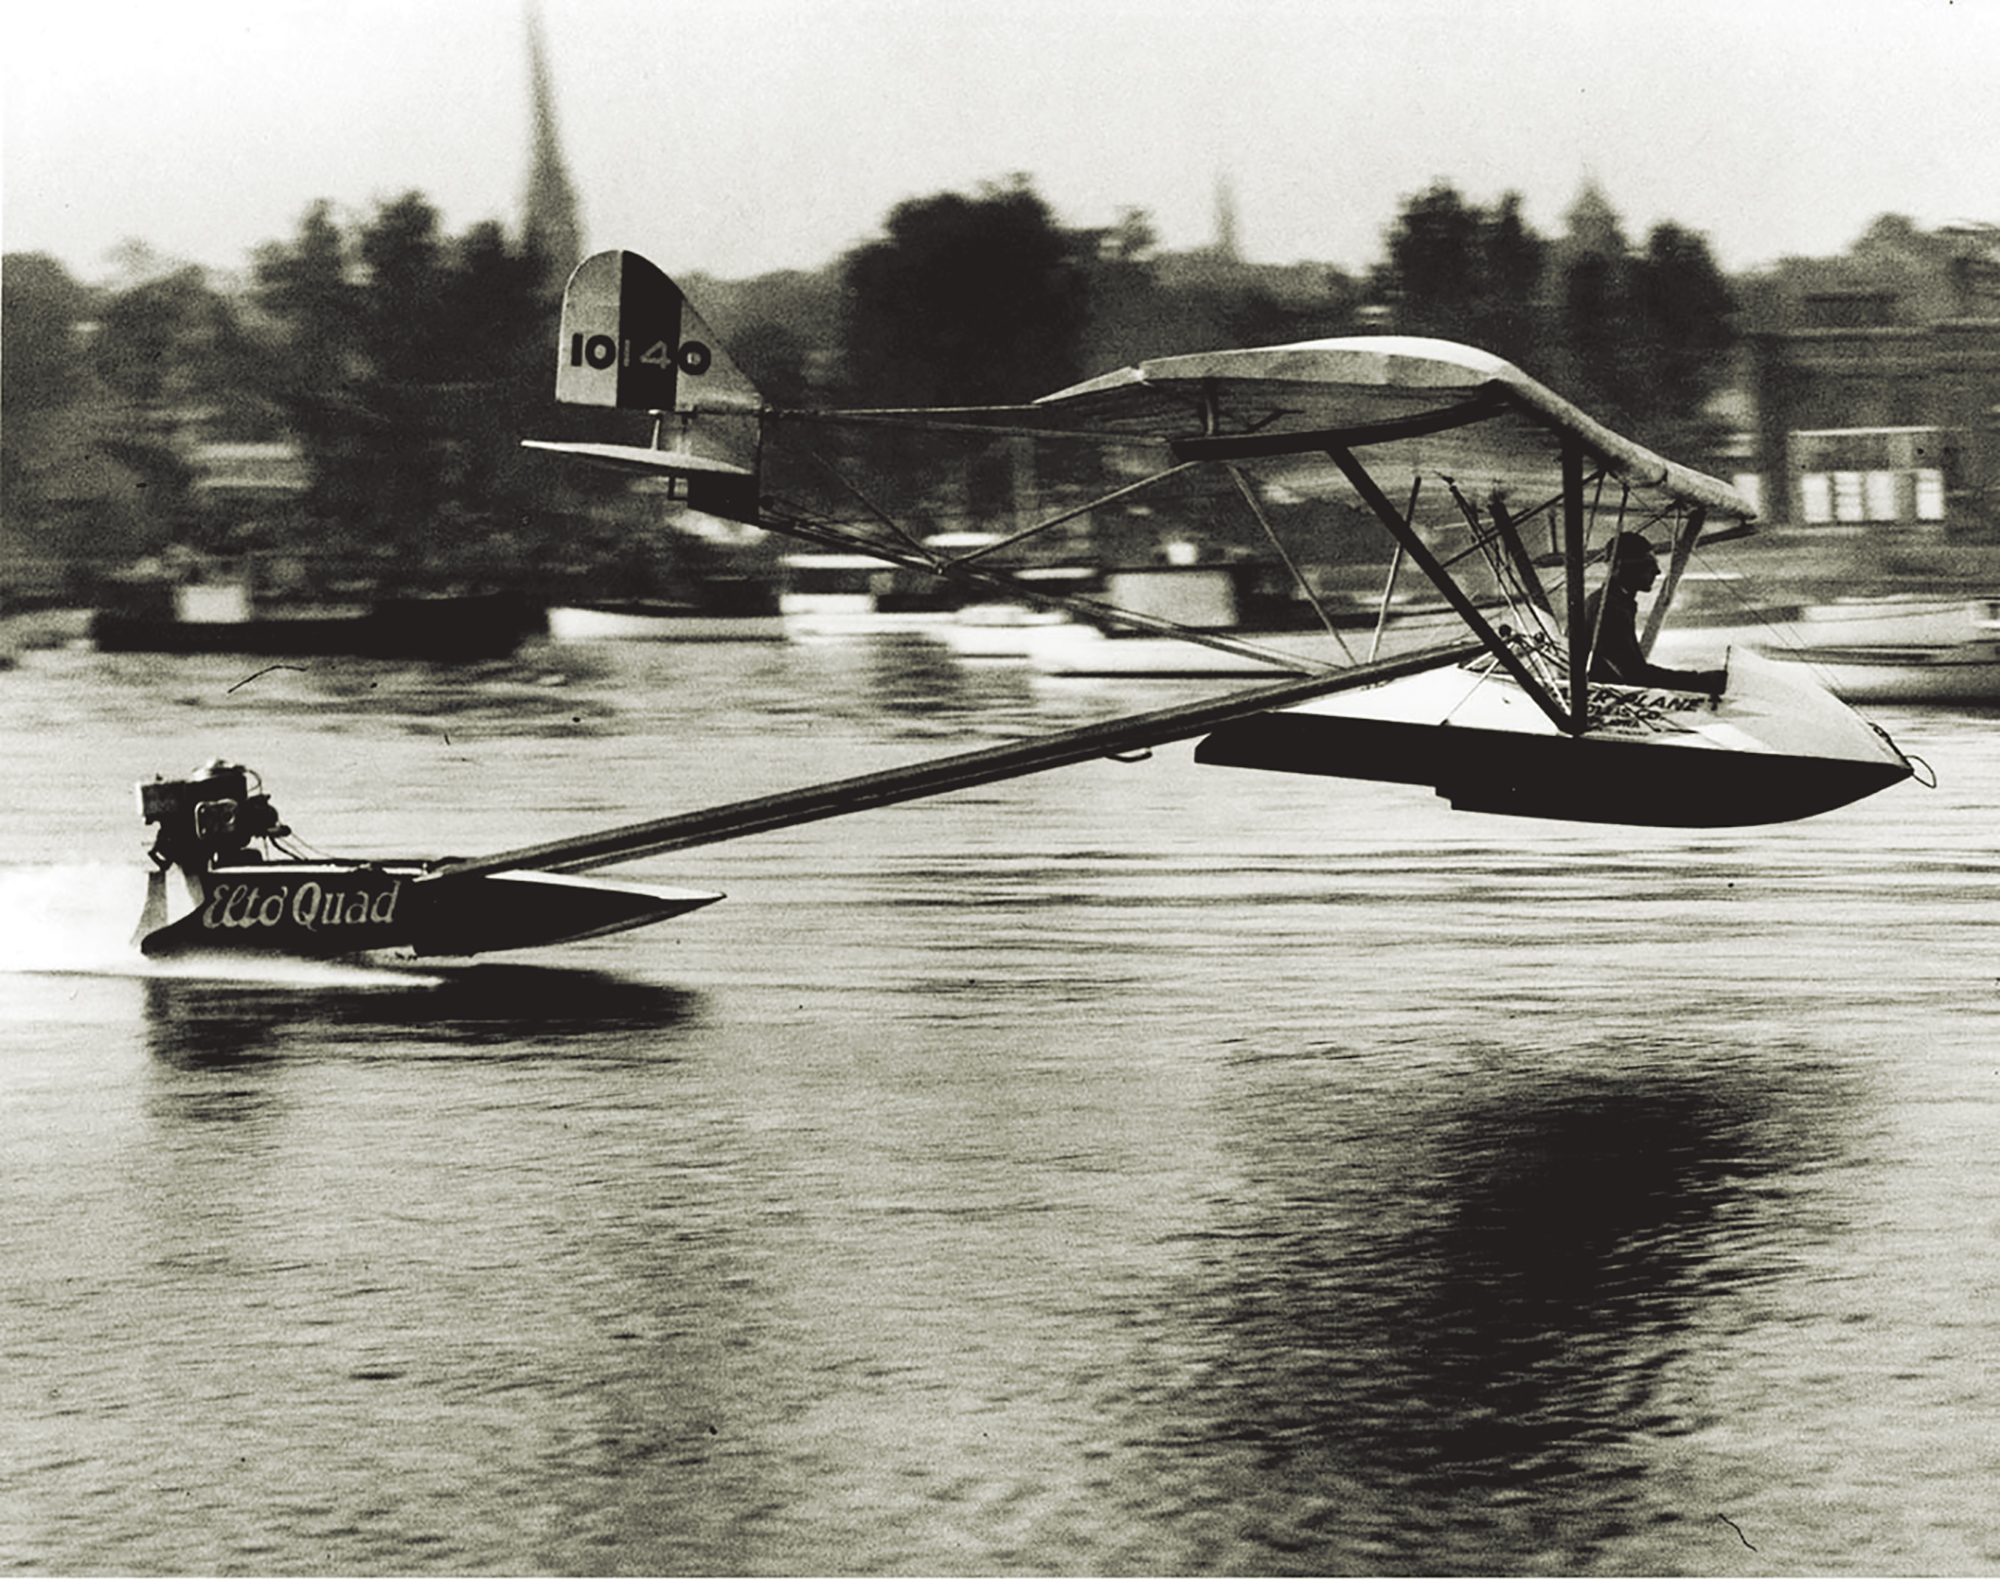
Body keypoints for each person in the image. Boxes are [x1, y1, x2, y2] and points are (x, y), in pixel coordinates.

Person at [1580, 532, 1727, 694]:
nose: (1657, 571)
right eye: (1648, 563)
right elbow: (1634, 675)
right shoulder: (1608, 608)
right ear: (1621, 566)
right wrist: (1700, 681)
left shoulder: (1613, 602)